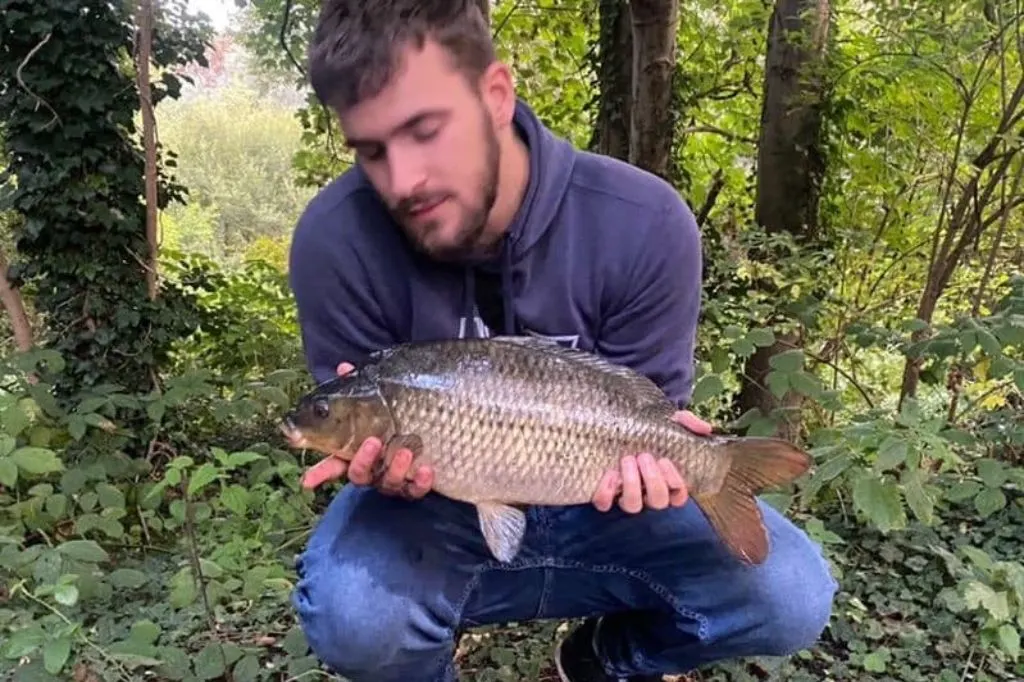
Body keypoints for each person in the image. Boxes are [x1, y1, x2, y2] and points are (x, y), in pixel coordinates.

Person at [286, 2, 838, 681]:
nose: (403, 181)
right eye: (371, 151)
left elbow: (646, 408)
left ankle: (604, 663)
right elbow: (362, 434)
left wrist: (676, 463)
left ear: (495, 95)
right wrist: (382, 473)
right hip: (441, 511)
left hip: (601, 491)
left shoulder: (645, 221)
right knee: (354, 615)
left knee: (790, 595)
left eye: (425, 131)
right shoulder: (334, 243)